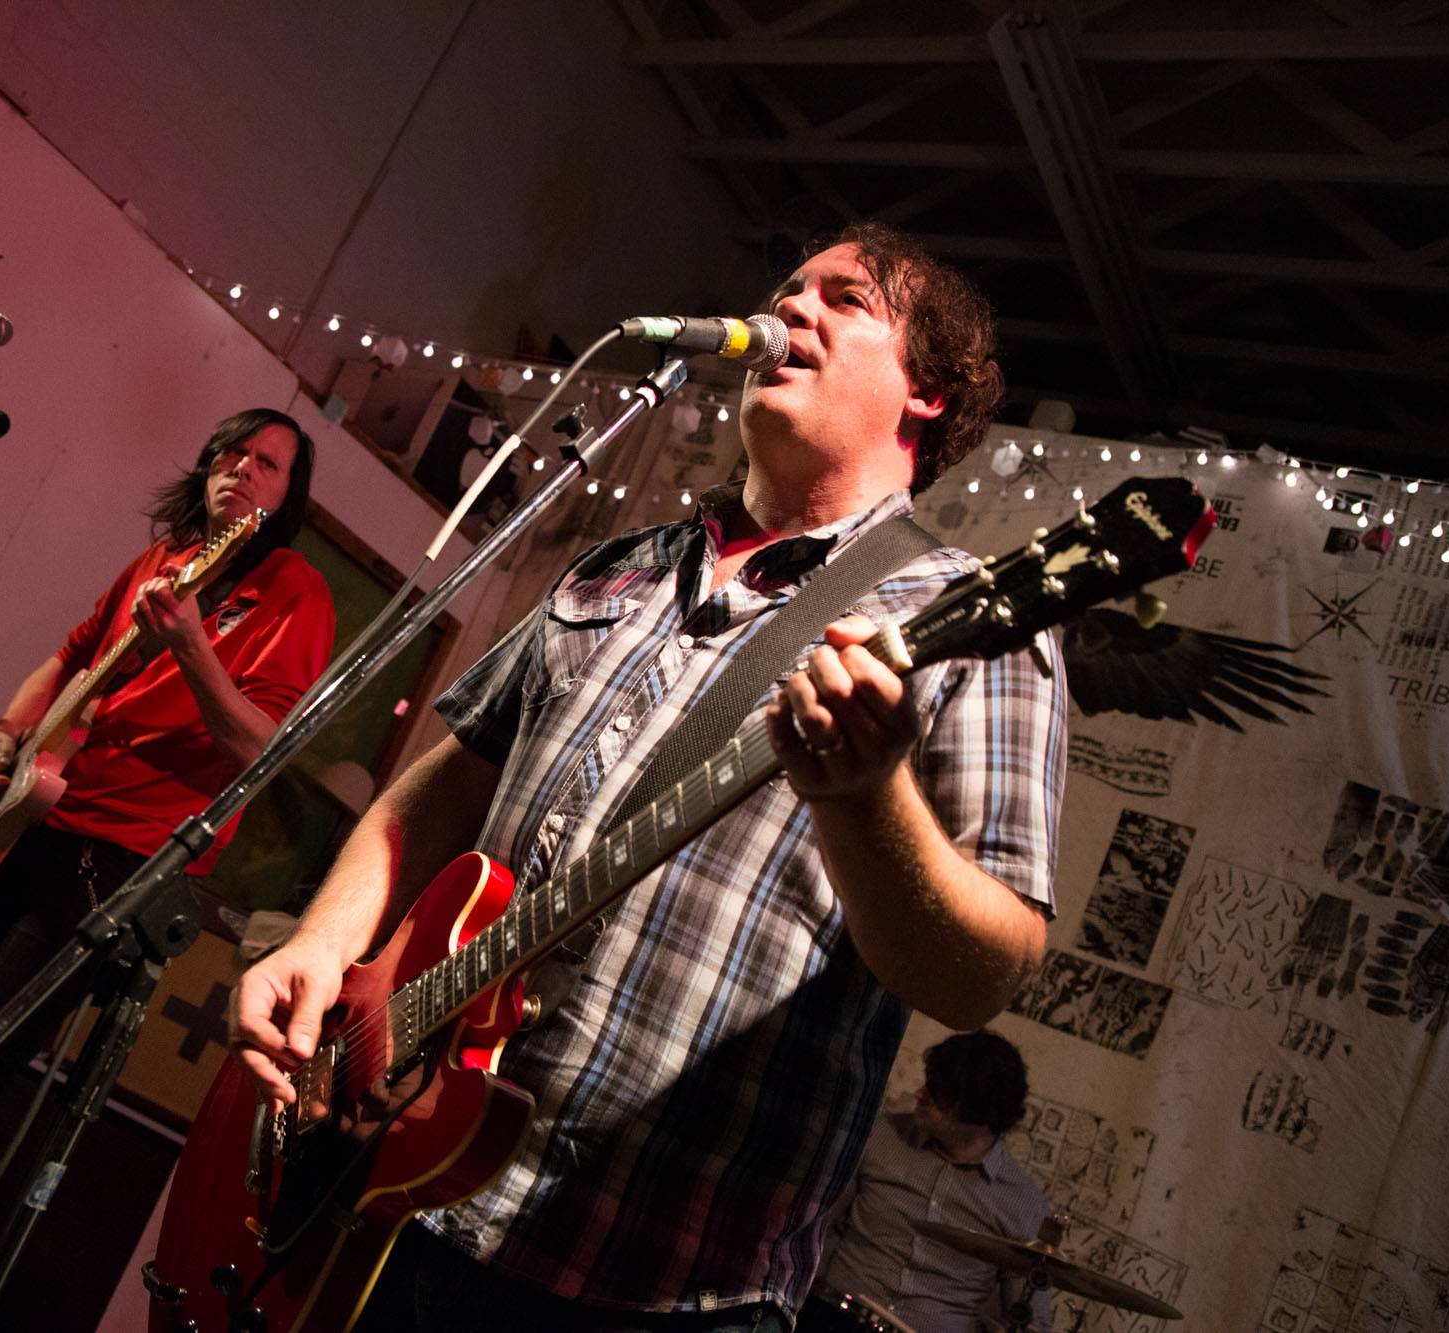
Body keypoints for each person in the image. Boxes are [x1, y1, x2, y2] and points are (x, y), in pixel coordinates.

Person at [229, 221, 1068, 1331]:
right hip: (406, 1208)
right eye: (786, 287)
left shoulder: (968, 620)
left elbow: (981, 977)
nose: (792, 309)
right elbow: (437, 785)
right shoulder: (616, 567)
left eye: (845, 297)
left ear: (929, 390)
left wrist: (866, 797)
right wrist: (322, 944)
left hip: (665, 1281)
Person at [0, 408, 335, 1330]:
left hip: (123, 866)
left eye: (267, 464)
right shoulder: (161, 559)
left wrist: (190, 642)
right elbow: (73, 652)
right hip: (45, 825)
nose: (242, 470)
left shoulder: (294, 591)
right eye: (231, 453)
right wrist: (16, 731)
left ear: (287, 494)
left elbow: (261, 747)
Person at [801, 1031, 1054, 1333]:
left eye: (937, 1093)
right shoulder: (881, 1136)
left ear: (980, 1113)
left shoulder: (1023, 1204)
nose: (920, 1092)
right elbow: (815, 1224)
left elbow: (1031, 1317)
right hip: (832, 1319)